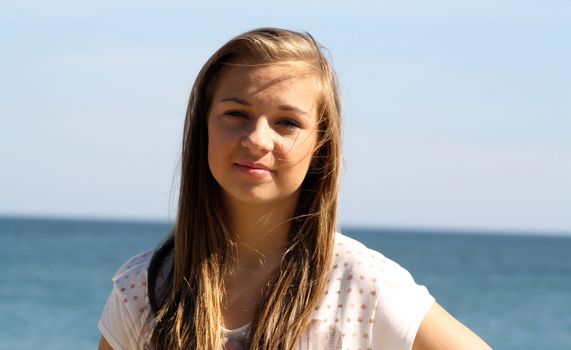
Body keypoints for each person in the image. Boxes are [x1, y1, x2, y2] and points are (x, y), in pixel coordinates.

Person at [97, 28, 491, 350]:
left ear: (320, 147)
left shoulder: (362, 286)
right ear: (204, 128)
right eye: (237, 114)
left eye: (286, 122)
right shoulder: (145, 289)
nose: (256, 139)